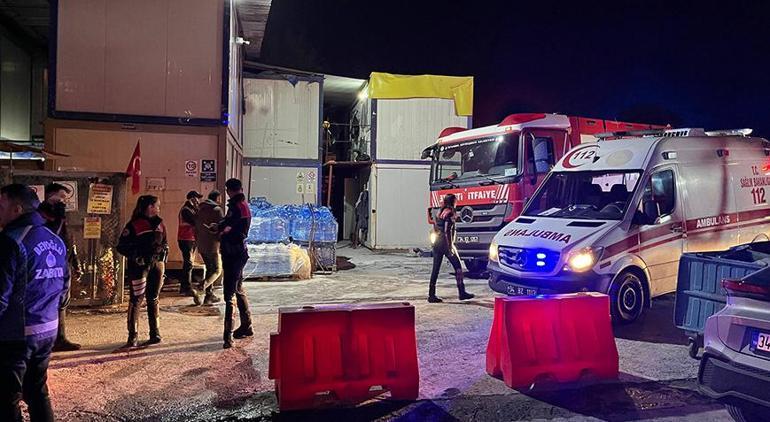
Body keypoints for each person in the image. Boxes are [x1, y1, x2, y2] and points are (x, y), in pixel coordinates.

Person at [0, 184, 69, 422]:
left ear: (17, 209)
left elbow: (0, 295)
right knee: (37, 392)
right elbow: (64, 287)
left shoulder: (10, 241)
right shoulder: (56, 240)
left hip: (15, 335)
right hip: (47, 330)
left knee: (6, 398)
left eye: (2, 206)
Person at [116, 195, 169, 347]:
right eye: (156, 205)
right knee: (136, 300)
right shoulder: (134, 225)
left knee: (153, 298)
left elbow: (165, 242)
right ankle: (132, 337)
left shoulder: (160, 224)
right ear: (149, 207)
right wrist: (136, 256)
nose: (158, 207)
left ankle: (155, 333)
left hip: (156, 266)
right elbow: (121, 246)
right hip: (139, 267)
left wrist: (163, 257)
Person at [38, 182, 82, 352]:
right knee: (50, 300)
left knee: (63, 300)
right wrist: (58, 217)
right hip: (49, 264)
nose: (63, 201)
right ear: (50, 197)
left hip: (63, 262)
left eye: (65, 198)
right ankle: (47, 338)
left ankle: (60, 338)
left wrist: (75, 261)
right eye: (60, 197)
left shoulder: (61, 215)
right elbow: (50, 237)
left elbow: (66, 239)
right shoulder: (42, 215)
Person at [218, 178, 253, 349]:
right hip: (236, 252)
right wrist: (221, 226)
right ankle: (247, 325)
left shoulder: (239, 207)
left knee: (229, 294)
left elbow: (238, 231)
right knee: (238, 289)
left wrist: (225, 232)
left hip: (234, 252)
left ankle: (228, 336)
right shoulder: (240, 206)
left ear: (229, 190)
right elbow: (229, 223)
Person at [428, 194, 474, 303]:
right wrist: (450, 247)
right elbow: (446, 231)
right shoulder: (450, 212)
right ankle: (462, 292)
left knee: (435, 270)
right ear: (452, 202)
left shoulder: (440, 211)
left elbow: (436, 227)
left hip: (437, 244)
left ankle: (431, 295)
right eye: (455, 201)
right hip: (446, 244)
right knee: (458, 267)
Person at [191, 191, 224, 305]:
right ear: (217, 198)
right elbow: (222, 228)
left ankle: (209, 296)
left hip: (201, 244)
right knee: (216, 270)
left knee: (209, 269)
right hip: (213, 245)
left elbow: (195, 227)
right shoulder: (217, 210)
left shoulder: (200, 210)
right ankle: (201, 287)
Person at [178, 191, 202, 296]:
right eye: (197, 198)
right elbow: (195, 221)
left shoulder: (190, 209)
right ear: (191, 199)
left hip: (190, 239)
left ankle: (186, 286)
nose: (198, 201)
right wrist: (198, 209)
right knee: (188, 264)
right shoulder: (186, 210)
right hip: (185, 239)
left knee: (189, 263)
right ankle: (185, 288)